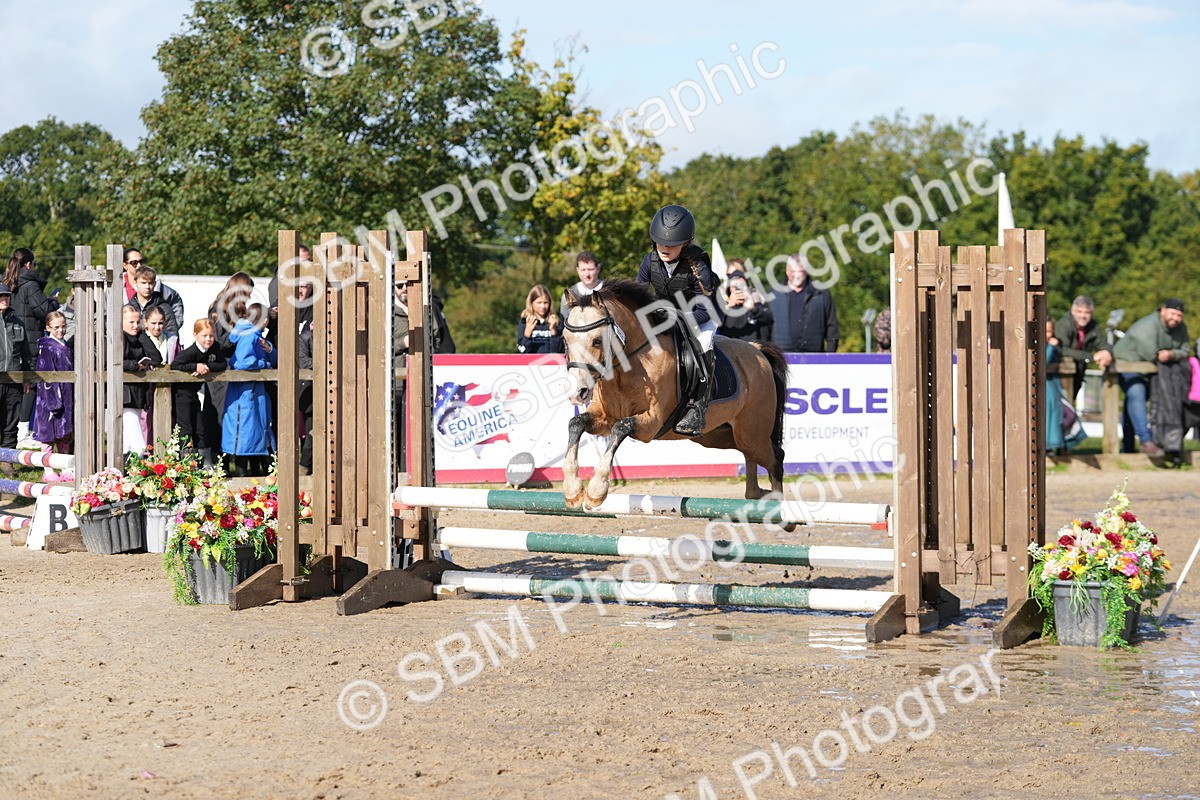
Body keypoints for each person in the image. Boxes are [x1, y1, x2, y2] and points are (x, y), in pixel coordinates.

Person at [635, 204, 719, 436]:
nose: (665, 248)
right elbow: (637, 297)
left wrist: (679, 319)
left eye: (671, 244)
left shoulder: (698, 265)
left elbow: (706, 308)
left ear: (685, 243)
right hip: (665, 315)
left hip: (699, 316)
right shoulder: (649, 262)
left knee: (702, 346)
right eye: (661, 242)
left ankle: (697, 408)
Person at [1112, 298, 1191, 456]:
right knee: (1137, 394)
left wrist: (1171, 354)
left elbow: (1185, 350)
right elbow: (1152, 354)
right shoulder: (1148, 326)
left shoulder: (1181, 328)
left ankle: (1127, 447)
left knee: (1131, 404)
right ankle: (1146, 441)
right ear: (1163, 310)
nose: (1175, 318)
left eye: (1179, 315)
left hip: (1149, 370)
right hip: (1127, 365)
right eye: (1172, 313)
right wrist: (1167, 355)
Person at [4, 248, 59, 447]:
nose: (35, 268)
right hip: (29, 340)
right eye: (34, 264)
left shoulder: (6, 283)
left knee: (13, 386)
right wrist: (53, 301)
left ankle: (13, 430)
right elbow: (43, 310)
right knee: (31, 384)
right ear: (28, 264)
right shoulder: (30, 285)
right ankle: (23, 430)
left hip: (11, 341)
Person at [223, 302, 277, 476]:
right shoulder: (249, 335)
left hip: (253, 392)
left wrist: (270, 350)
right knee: (246, 435)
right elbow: (242, 361)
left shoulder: (254, 335)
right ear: (265, 321)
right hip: (246, 394)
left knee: (255, 435)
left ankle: (255, 478)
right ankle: (244, 479)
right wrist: (265, 364)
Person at [171, 319, 227, 468]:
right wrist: (194, 366)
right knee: (185, 427)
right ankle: (187, 463)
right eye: (204, 336)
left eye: (211, 335)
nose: (208, 339)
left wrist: (207, 367)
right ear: (196, 336)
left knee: (200, 428)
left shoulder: (214, 348)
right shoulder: (190, 352)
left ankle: (205, 463)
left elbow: (222, 363)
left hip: (195, 393)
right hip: (182, 395)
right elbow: (176, 364)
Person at [32, 311, 74, 482]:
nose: (61, 330)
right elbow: (46, 375)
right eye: (56, 327)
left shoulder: (66, 345)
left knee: (65, 435)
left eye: (63, 326)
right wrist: (53, 401)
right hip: (50, 399)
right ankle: (48, 469)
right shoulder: (47, 347)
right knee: (48, 435)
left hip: (67, 396)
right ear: (48, 328)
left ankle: (66, 468)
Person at [769, 254, 839, 353]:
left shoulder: (821, 293)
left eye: (800, 271)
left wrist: (829, 355)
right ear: (787, 271)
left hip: (813, 357)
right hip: (781, 356)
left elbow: (832, 326)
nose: (796, 275)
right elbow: (765, 327)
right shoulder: (773, 294)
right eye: (793, 271)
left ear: (806, 271)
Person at [1054, 296, 1113, 405]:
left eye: (1087, 312)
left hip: (1079, 370)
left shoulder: (1092, 326)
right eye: (1079, 311)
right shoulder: (1064, 324)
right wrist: (1091, 357)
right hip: (1059, 372)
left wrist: (1106, 353)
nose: (1083, 316)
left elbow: (1103, 343)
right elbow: (1062, 350)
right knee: (1062, 405)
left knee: (1071, 405)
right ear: (1073, 311)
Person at [121, 306, 162, 454]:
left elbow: (156, 358)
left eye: (138, 322)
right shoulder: (118, 337)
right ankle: (140, 471)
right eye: (131, 322)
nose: (135, 325)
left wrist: (142, 335)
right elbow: (113, 362)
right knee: (138, 443)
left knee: (127, 442)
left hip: (138, 393)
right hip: (124, 395)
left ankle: (125, 471)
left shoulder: (139, 337)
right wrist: (135, 365)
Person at [0, 283, 28, 473]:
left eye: (7, 296)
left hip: (15, 378)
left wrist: (27, 377)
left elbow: (26, 352)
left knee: (12, 420)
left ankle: (7, 460)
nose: (5, 299)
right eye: (1, 296)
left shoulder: (18, 322)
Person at [120, 249, 184, 332]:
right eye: (134, 263)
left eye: (141, 261)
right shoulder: (116, 290)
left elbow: (174, 321)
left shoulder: (162, 290)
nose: (139, 265)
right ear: (125, 265)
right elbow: (108, 316)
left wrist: (160, 330)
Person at [125, 265, 183, 337]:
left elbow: (172, 336)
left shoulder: (164, 308)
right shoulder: (128, 309)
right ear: (135, 282)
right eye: (143, 283)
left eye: (150, 283)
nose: (147, 287)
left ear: (155, 284)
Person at [717, 269, 772, 343]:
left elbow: (769, 321)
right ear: (729, 289)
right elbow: (713, 325)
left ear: (747, 287)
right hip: (729, 350)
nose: (738, 289)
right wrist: (727, 306)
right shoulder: (724, 307)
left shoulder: (755, 305)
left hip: (753, 351)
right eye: (734, 286)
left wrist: (754, 309)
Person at [517, 284, 564, 354]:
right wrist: (527, 334)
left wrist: (553, 331)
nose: (543, 306)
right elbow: (523, 350)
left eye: (545, 302)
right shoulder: (525, 321)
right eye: (539, 303)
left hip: (551, 363)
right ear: (531, 303)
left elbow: (559, 350)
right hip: (531, 363)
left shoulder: (556, 321)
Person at [560, 252, 604, 319]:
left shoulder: (610, 292)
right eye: (583, 270)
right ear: (577, 270)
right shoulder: (569, 295)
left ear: (598, 269)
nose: (587, 274)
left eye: (590, 269)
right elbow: (564, 324)